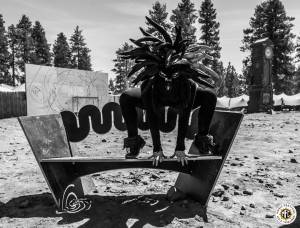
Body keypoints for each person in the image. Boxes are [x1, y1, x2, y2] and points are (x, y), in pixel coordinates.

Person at [119, 17, 219, 166]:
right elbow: (151, 115)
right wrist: (157, 149)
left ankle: (202, 139)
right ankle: (134, 143)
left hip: (180, 99)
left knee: (209, 96)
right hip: (156, 100)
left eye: (174, 76)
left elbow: (185, 115)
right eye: (165, 76)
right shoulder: (150, 82)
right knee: (126, 97)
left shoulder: (188, 84)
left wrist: (180, 148)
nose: (169, 80)